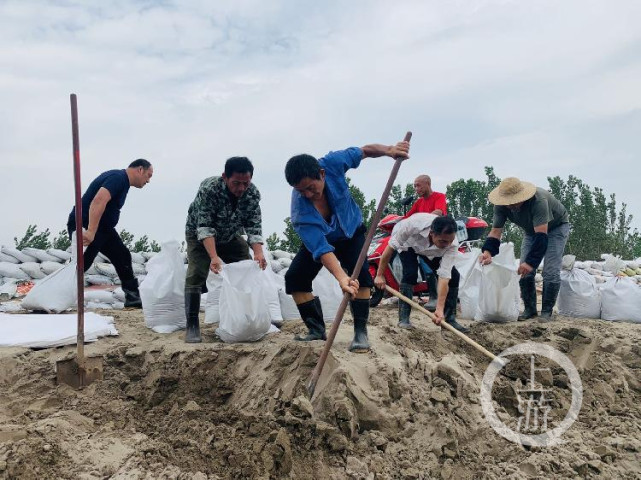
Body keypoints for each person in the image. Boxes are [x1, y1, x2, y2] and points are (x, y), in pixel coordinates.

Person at [284, 140, 410, 352]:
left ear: (322, 174)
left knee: (360, 276)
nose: (307, 194)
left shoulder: (333, 163)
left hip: (351, 232)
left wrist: (389, 151)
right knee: (295, 278)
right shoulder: (300, 213)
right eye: (301, 190)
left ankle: (360, 333)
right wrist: (342, 278)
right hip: (323, 239)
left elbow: (363, 151)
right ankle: (316, 330)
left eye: (311, 188)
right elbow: (322, 249)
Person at [184, 156, 266, 343]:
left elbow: (254, 226)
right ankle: (192, 325)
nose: (241, 188)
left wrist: (259, 253)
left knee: (245, 265)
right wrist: (214, 257)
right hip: (200, 235)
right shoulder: (210, 190)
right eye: (236, 183)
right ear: (225, 177)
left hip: (230, 234)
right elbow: (204, 227)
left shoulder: (252, 194)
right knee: (196, 271)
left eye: (245, 183)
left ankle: (247, 318)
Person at [479, 177, 570, 321]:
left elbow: (542, 236)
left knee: (550, 270)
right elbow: (496, 231)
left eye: (514, 201)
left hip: (555, 228)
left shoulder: (538, 201)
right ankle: (530, 310)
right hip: (531, 231)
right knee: (523, 271)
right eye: (508, 203)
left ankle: (546, 312)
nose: (511, 205)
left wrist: (531, 262)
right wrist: (487, 252)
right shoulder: (501, 206)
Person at [67, 159, 154, 308]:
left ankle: (133, 298)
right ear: (140, 170)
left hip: (103, 229)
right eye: (148, 175)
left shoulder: (122, 181)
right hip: (88, 225)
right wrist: (90, 232)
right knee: (81, 263)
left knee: (122, 255)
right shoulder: (118, 178)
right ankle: (55, 293)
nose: (148, 180)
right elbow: (98, 201)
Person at [374, 213, 469, 333]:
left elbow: (444, 277)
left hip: (433, 251)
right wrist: (379, 275)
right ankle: (404, 319)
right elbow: (389, 249)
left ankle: (449, 319)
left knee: (454, 276)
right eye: (443, 241)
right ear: (432, 233)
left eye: (450, 241)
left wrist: (439, 309)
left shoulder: (451, 244)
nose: (447, 244)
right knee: (410, 274)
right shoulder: (412, 225)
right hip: (408, 245)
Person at [402, 174, 448, 311]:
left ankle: (436, 298)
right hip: (419, 242)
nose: (416, 189)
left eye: (418, 185)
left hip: (435, 241)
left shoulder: (439, 197)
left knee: (435, 268)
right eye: (415, 186)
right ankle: (404, 313)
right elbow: (407, 218)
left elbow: (439, 212)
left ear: (428, 184)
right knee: (409, 271)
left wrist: (422, 221)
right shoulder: (418, 203)